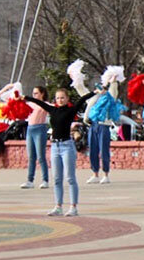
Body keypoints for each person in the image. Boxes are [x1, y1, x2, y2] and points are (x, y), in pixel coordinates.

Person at [24, 87, 97, 216]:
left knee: (70, 178)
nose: (60, 100)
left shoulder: (70, 110)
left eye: (62, 97)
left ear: (67, 99)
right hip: (55, 147)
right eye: (57, 98)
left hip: (67, 146)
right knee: (57, 179)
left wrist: (95, 92)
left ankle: (73, 207)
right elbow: (39, 103)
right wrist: (24, 98)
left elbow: (82, 100)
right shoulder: (53, 110)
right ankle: (58, 206)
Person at [84, 80, 120, 184]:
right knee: (93, 150)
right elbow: (82, 92)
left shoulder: (109, 98)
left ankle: (106, 174)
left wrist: (113, 82)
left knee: (104, 151)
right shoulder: (94, 98)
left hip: (104, 126)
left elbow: (114, 91)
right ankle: (95, 173)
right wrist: (76, 80)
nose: (101, 90)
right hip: (93, 125)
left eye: (103, 88)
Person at [21, 86, 50, 189]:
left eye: (36, 93)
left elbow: (53, 108)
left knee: (41, 156)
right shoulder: (30, 104)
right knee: (31, 156)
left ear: (42, 94)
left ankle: (45, 180)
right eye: (33, 93)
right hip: (30, 129)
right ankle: (30, 180)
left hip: (40, 129)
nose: (34, 95)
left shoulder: (45, 104)